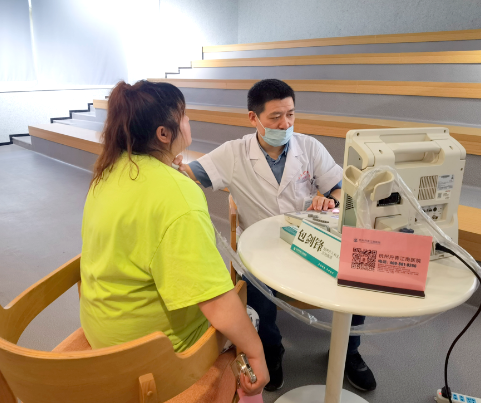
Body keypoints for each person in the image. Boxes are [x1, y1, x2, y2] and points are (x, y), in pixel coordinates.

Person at [176, 79, 377, 392]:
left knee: (356, 274)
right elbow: (188, 176)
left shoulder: (309, 147)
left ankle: (349, 351)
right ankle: (271, 350)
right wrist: (173, 165)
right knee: (257, 295)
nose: (285, 124)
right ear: (253, 118)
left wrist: (330, 201)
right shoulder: (233, 153)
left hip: (310, 239)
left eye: (291, 114)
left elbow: (341, 189)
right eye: (275, 117)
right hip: (261, 248)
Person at [79, 80, 269, 396]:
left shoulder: (108, 172)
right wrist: (257, 354)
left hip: (102, 329)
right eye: (183, 116)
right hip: (150, 354)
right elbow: (214, 300)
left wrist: (170, 173)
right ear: (164, 134)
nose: (188, 121)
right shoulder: (178, 196)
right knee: (250, 317)